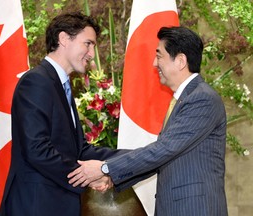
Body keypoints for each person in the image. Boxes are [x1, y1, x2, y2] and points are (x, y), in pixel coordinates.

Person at [68, 26, 228, 216]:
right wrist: (112, 177)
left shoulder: (201, 98)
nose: (154, 63)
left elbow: (163, 151)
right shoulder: (184, 99)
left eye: (159, 56)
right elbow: (165, 156)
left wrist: (105, 168)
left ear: (180, 60)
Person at [0, 12, 125, 216]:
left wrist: (139, 156)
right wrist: (89, 176)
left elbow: (79, 151)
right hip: (36, 206)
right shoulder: (36, 82)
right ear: (64, 39)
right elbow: (37, 149)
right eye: (88, 43)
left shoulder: (60, 86)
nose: (92, 53)